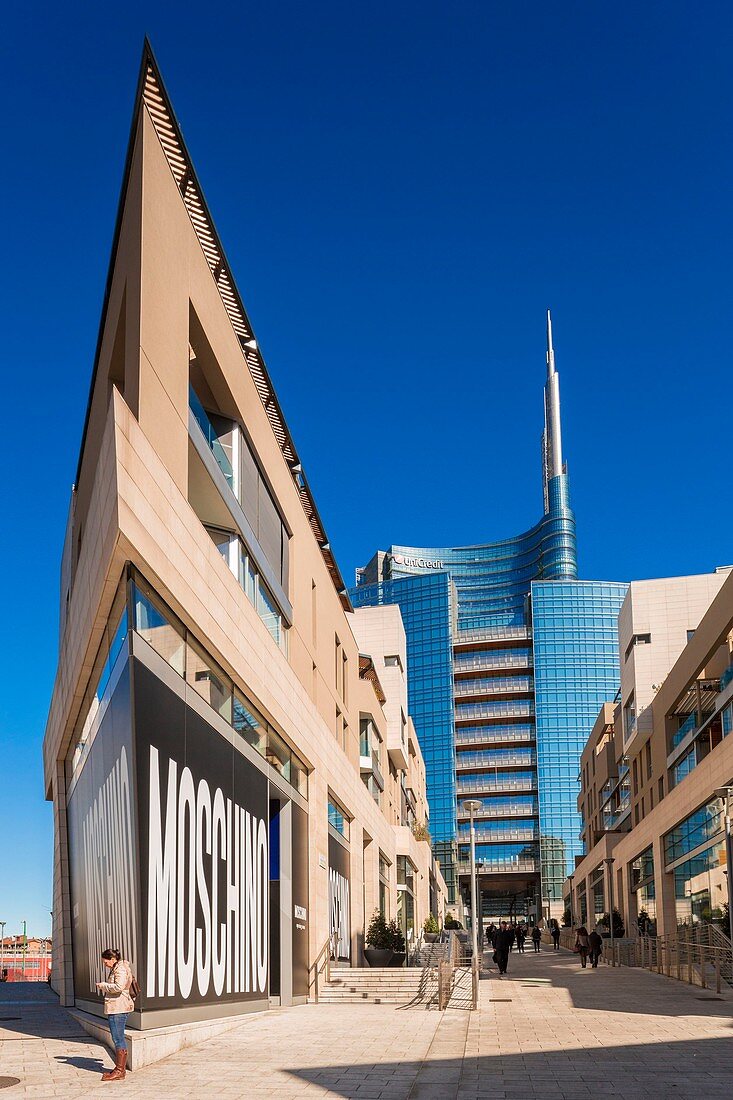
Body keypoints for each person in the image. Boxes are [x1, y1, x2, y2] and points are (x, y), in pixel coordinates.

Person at [96, 948, 134, 1082]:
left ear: (112, 959)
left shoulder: (120, 969)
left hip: (119, 1007)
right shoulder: (117, 968)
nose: (105, 964)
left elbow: (118, 986)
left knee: (118, 1039)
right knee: (117, 1038)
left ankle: (119, 1071)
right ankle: (119, 1070)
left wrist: (103, 985)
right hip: (116, 1007)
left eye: (105, 962)